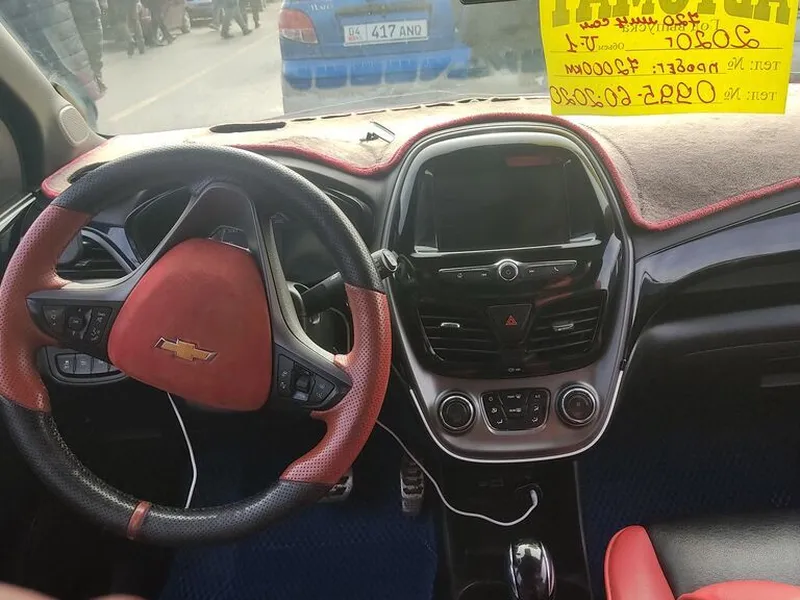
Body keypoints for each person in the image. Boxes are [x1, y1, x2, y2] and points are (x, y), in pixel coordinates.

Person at [67, 0, 107, 93]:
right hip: (86, 16)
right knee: (93, 50)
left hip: (86, 16)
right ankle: (95, 79)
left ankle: (95, 79)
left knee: (92, 50)